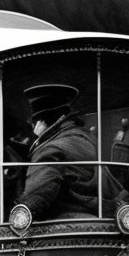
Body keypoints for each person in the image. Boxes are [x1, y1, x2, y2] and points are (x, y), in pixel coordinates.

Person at [14, 83, 109, 220]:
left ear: (41, 123)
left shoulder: (50, 150)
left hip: (64, 223)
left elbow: (34, 200)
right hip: (95, 215)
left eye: (33, 123)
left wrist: (38, 140)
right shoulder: (84, 137)